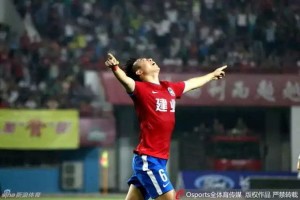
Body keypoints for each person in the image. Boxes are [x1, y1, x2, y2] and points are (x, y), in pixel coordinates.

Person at [104, 53, 227, 200]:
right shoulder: (140, 89)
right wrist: (115, 68)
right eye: (145, 61)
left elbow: (192, 83)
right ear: (139, 72)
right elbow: (126, 81)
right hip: (149, 159)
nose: (150, 59)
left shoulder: (169, 88)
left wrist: (212, 75)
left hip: (160, 159)